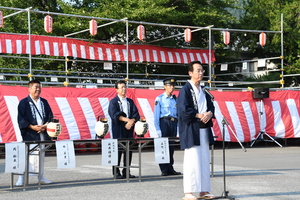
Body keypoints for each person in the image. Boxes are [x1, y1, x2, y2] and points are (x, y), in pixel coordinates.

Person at [177, 61, 216, 200]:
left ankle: (204, 190)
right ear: (190, 73)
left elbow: (211, 106)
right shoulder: (185, 90)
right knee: (192, 160)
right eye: (198, 70)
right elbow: (183, 109)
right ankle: (189, 191)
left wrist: (209, 114)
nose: (201, 73)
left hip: (204, 129)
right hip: (192, 129)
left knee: (205, 159)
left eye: (202, 71)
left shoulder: (203, 90)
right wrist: (198, 115)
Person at [16, 80, 53, 186]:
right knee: (26, 155)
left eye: (39, 87)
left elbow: (50, 116)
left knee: (41, 154)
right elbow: (21, 118)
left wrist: (45, 126)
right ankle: (21, 177)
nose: (38, 89)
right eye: (35, 87)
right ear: (29, 89)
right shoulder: (23, 102)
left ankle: (40, 176)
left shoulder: (44, 102)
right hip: (29, 132)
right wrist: (32, 126)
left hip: (42, 132)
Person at [108, 80, 140, 179]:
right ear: (116, 89)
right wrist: (127, 120)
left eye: (124, 87)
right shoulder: (113, 102)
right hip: (119, 127)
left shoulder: (130, 101)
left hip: (129, 128)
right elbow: (114, 115)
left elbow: (136, 114)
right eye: (121, 87)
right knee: (117, 150)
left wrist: (131, 121)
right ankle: (116, 171)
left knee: (128, 150)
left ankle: (126, 171)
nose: (123, 89)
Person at [154, 77, 181, 176]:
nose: (172, 87)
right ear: (165, 86)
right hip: (164, 122)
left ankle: (170, 167)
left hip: (173, 123)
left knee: (171, 147)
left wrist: (178, 127)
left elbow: (177, 113)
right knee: (163, 146)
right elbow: (156, 114)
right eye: (169, 85)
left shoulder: (175, 99)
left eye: (173, 85)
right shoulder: (160, 98)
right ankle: (164, 169)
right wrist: (157, 128)